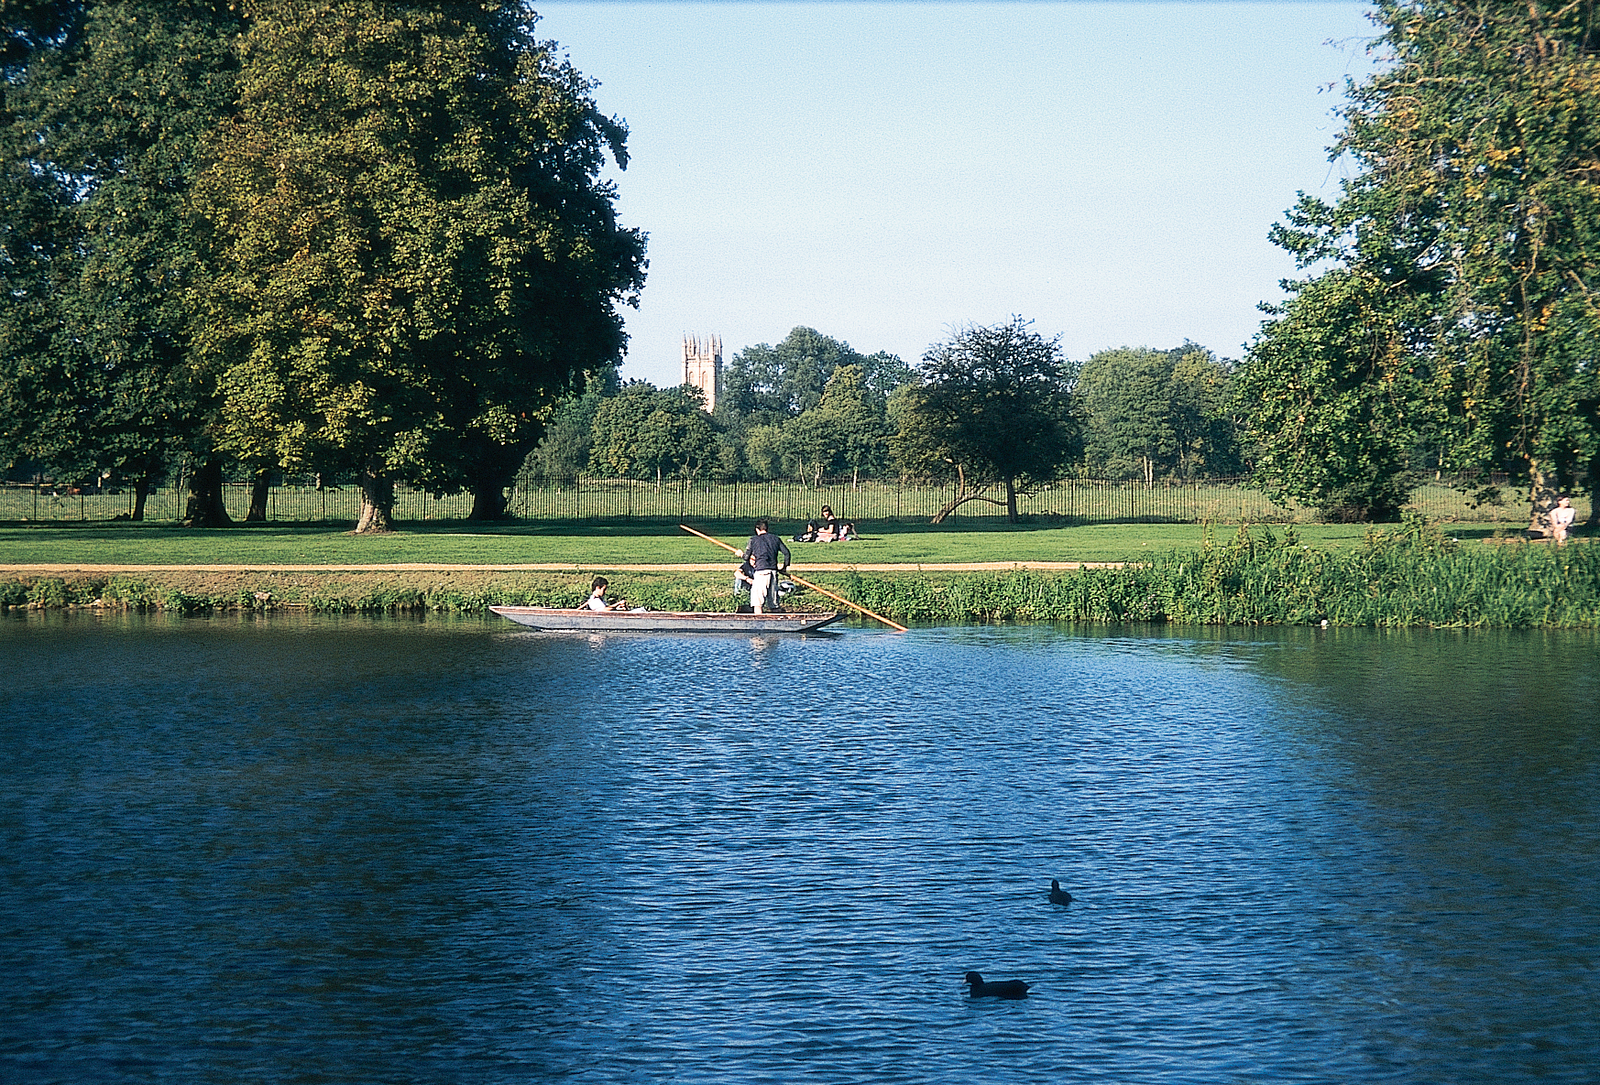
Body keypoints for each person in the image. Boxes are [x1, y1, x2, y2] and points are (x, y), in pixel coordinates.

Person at [742, 518, 790, 614]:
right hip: (773, 572)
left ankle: (758, 626)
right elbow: (787, 553)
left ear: (757, 529)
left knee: (757, 603)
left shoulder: (753, 540)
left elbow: (746, 557)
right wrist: (784, 567)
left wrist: (740, 554)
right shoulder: (776, 539)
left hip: (761, 573)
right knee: (774, 604)